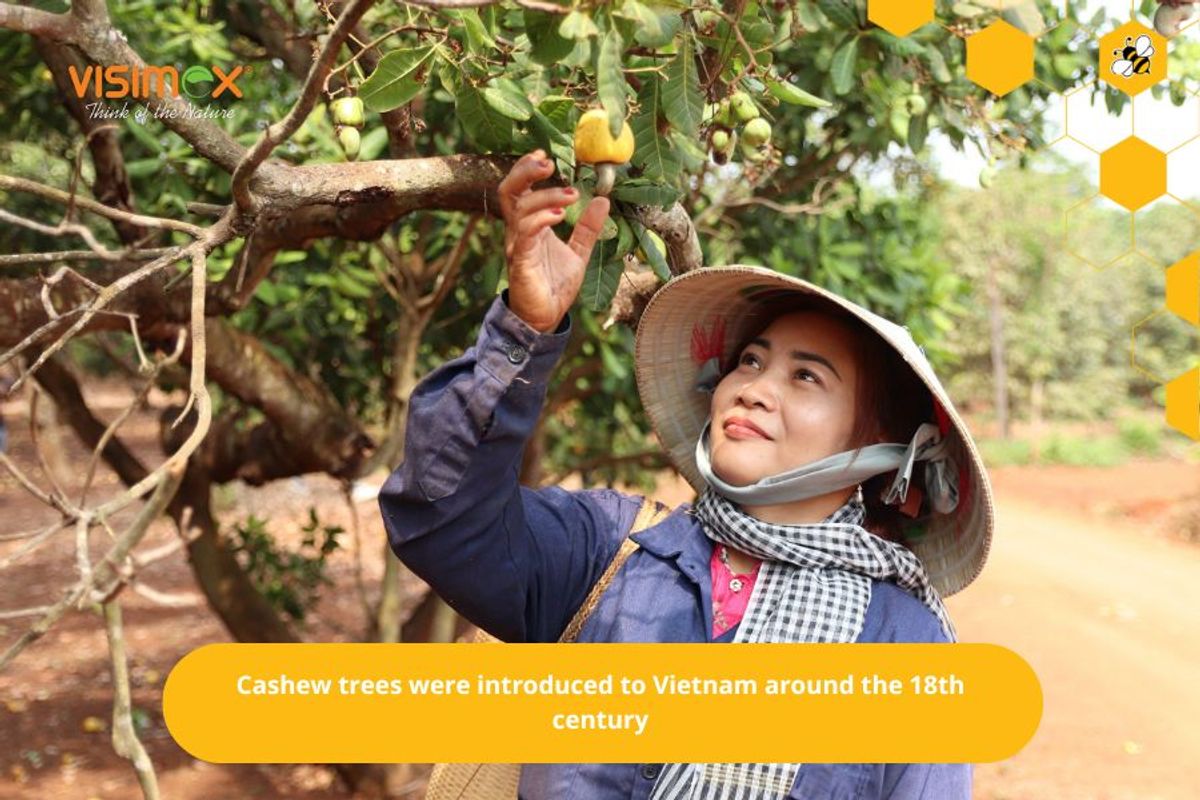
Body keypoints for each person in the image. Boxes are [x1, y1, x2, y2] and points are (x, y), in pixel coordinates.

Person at [378, 150, 993, 799]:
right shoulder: (609, 550)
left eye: (806, 376)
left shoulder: (908, 647)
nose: (754, 388)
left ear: (879, 445)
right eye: (751, 361)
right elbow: (439, 517)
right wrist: (525, 331)